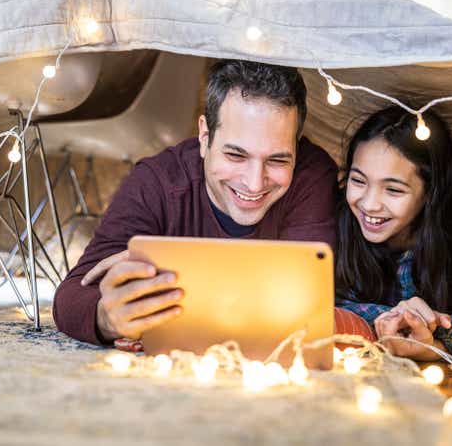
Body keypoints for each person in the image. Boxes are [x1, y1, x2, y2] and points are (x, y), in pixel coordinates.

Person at [53, 59, 341, 347]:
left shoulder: (312, 175)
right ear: (205, 136)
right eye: (236, 156)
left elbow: (304, 304)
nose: (254, 183)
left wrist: (175, 280)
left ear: (296, 144)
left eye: (278, 160)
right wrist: (107, 317)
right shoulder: (157, 181)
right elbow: (72, 296)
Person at [334, 107, 452, 362]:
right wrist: (404, 319)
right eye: (358, 181)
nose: (369, 204)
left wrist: (430, 346)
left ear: (430, 193)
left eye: (393, 190)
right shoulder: (341, 213)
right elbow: (330, 311)